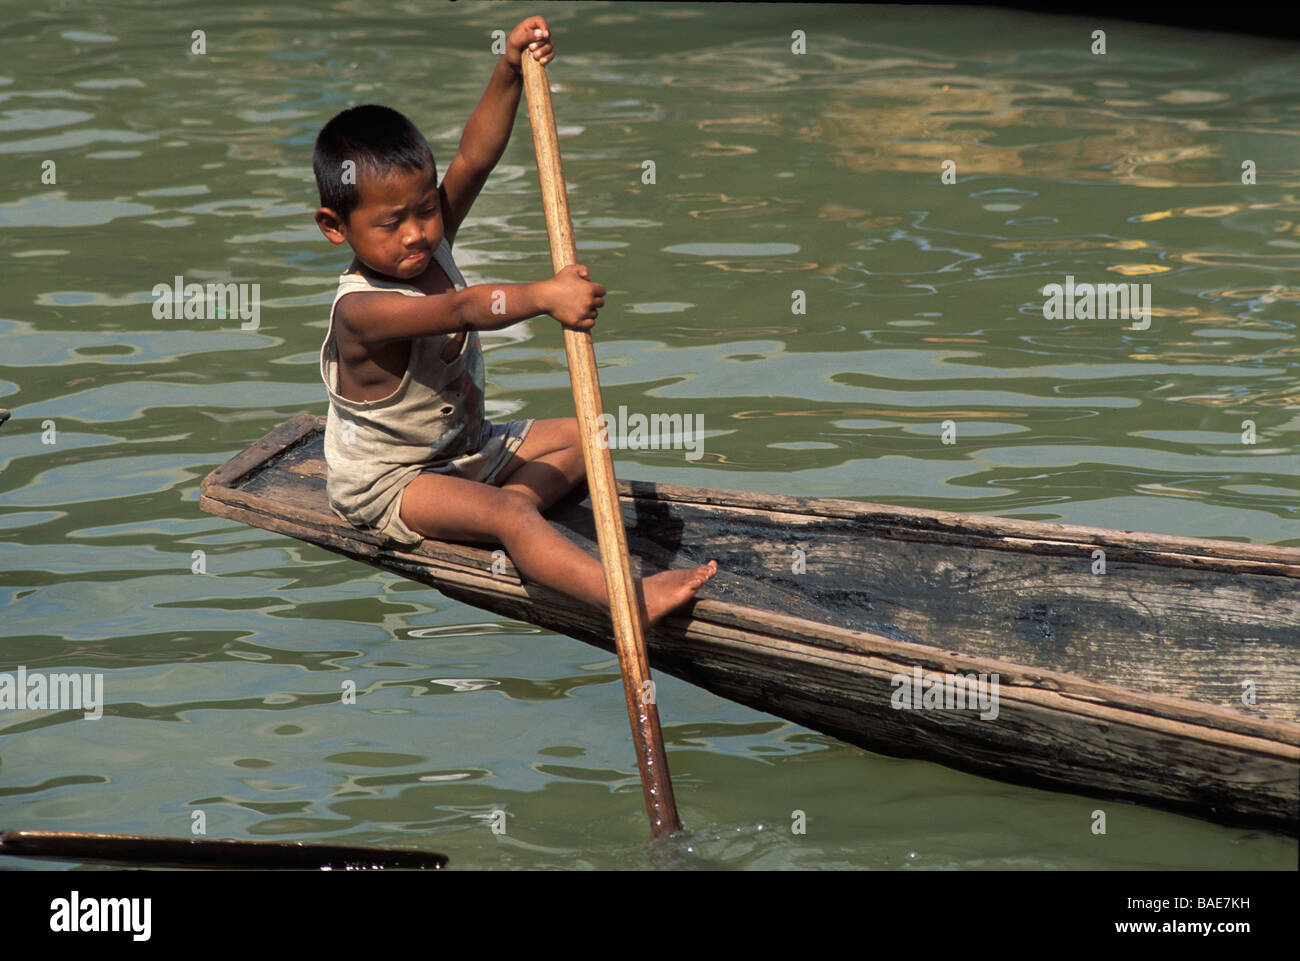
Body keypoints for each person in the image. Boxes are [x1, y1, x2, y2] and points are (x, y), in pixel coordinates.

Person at [313, 15, 715, 625]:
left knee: (594, 432)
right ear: (335, 227)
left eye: (425, 210)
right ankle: (628, 598)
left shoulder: (428, 239)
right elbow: (460, 308)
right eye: (391, 223)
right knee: (509, 520)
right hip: (396, 481)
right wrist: (544, 296)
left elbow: (475, 157)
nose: (418, 233)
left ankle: (512, 496)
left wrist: (507, 71)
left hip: (470, 449)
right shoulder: (361, 312)